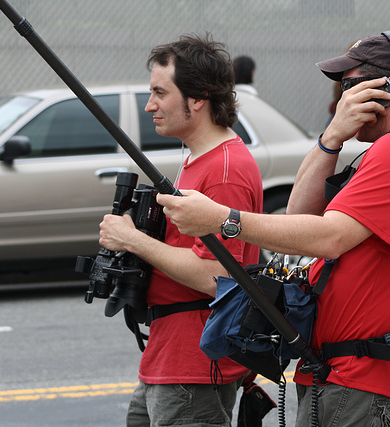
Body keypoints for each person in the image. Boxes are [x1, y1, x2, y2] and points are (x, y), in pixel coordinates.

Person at [156, 30, 390, 426]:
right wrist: (332, 136)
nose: (339, 100)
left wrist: (223, 219)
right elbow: (300, 214)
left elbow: (330, 238)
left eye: (349, 86)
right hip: (352, 379)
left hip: (367, 384)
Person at [98, 33, 262, 426]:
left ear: (198, 98)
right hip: (170, 355)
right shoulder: (198, 159)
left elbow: (217, 276)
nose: (150, 105)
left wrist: (132, 239)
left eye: (160, 92)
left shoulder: (225, 171)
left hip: (193, 366)